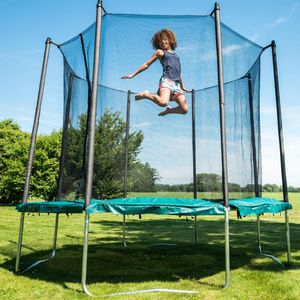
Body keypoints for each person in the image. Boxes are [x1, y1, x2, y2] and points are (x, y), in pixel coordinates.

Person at [121, 29, 189, 116]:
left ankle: (169, 111)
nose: (163, 42)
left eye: (165, 39)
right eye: (160, 41)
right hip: (167, 82)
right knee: (163, 103)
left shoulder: (176, 56)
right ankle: (146, 95)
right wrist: (132, 74)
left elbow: (178, 71)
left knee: (184, 109)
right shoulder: (160, 52)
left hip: (176, 85)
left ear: (170, 39)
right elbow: (146, 64)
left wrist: (182, 86)